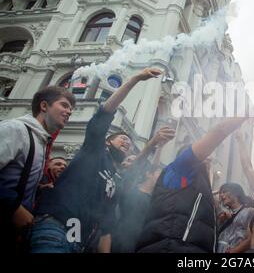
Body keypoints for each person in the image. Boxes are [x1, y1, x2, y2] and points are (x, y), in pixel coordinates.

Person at [29, 68, 162, 253]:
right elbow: (105, 113)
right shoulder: (94, 151)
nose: (127, 142)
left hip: (78, 244)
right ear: (107, 142)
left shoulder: (114, 182)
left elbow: (106, 228)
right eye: (122, 138)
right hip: (54, 230)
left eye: (130, 142)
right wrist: (135, 79)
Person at [137, 116, 247, 253]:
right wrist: (246, 113)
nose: (208, 157)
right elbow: (219, 130)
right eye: (203, 155)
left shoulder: (196, 185)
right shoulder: (179, 171)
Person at [0, 86, 75, 252]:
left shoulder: (41, 142)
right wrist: (13, 207)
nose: (69, 112)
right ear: (44, 106)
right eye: (64, 105)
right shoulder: (16, 129)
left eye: (71, 109)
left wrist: (39, 189)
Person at [111, 127, 175, 253]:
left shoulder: (155, 199)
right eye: (159, 174)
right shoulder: (130, 189)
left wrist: (161, 147)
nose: (162, 177)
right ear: (148, 174)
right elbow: (142, 166)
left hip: (140, 245)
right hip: (119, 242)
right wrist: (153, 143)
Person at [216, 183, 254, 253]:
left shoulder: (249, 212)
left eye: (224, 192)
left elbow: (252, 237)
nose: (221, 195)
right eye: (220, 193)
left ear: (236, 193)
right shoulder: (222, 214)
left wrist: (235, 251)